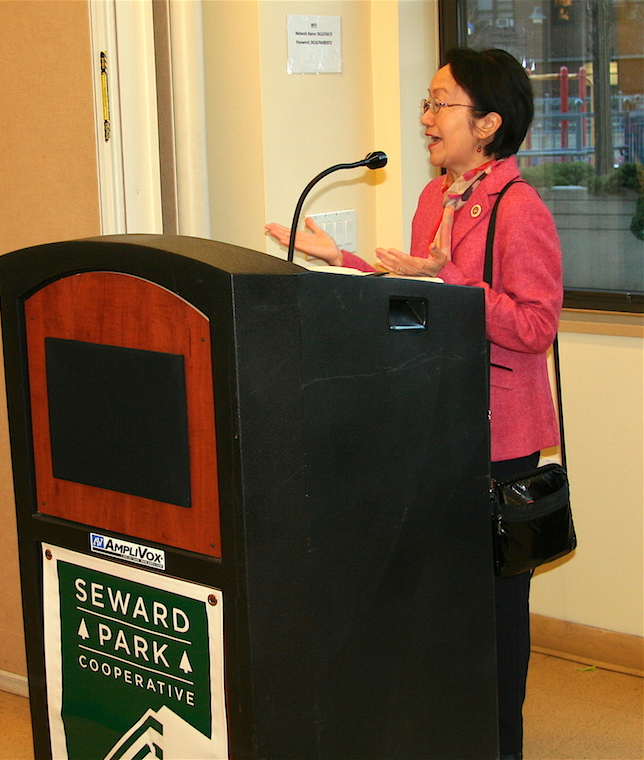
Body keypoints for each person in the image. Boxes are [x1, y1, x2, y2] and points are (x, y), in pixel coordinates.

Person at [266, 48, 562, 760]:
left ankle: (500, 746)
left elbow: (535, 326)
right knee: (435, 597)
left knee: (494, 611)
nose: (426, 119)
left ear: (488, 123)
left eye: (440, 105)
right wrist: (341, 261)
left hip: (498, 438)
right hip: (431, 422)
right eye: (425, 104)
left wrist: (452, 280)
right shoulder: (437, 198)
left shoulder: (520, 209)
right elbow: (419, 290)